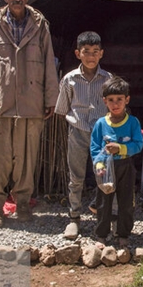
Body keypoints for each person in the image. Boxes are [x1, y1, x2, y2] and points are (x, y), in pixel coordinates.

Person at [0, 0, 58, 228]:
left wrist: (50, 98)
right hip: (2, 100)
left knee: (26, 157)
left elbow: (48, 61)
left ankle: (23, 203)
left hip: (32, 100)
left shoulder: (39, 23)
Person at [54, 31, 112, 240]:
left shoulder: (107, 79)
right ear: (78, 53)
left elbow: (114, 108)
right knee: (76, 177)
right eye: (86, 52)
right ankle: (74, 217)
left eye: (95, 52)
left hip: (101, 134)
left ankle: (103, 218)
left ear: (101, 54)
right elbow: (62, 109)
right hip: (77, 132)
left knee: (103, 175)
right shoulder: (69, 79)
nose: (90, 56)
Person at [90, 76, 143, 249]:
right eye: (111, 100)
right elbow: (95, 147)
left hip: (126, 167)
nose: (115, 104)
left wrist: (120, 148)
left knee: (126, 202)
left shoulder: (133, 122)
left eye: (119, 99)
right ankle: (101, 235)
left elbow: (138, 145)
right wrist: (99, 166)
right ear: (105, 101)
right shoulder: (100, 124)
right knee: (103, 203)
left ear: (127, 100)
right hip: (106, 168)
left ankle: (123, 234)